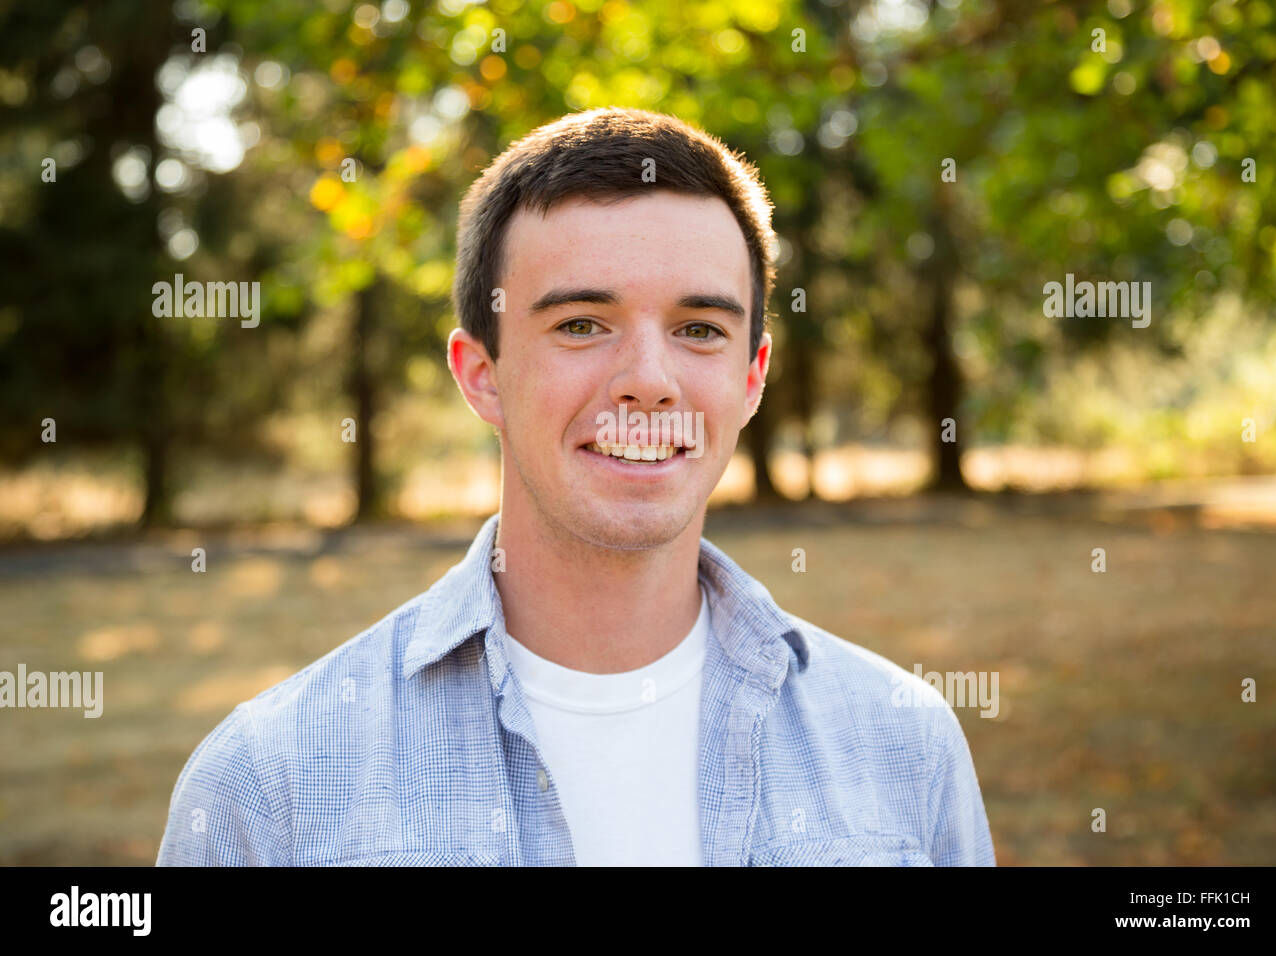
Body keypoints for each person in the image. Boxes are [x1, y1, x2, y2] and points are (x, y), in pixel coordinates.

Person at [157, 107, 995, 866]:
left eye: (700, 329)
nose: (649, 381)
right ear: (482, 375)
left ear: (751, 380)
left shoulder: (904, 743)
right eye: (581, 325)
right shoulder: (268, 787)